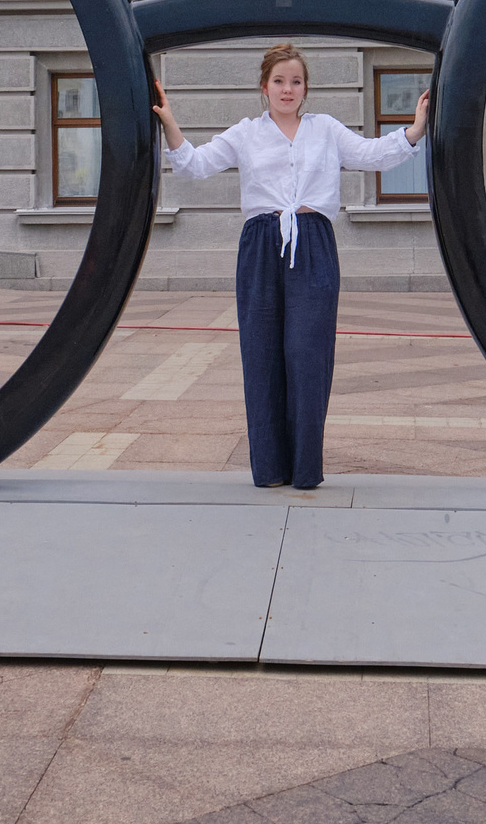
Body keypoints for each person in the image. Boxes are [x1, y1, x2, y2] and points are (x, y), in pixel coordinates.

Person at [153, 45, 430, 491]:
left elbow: (371, 154)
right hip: (260, 246)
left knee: (307, 355)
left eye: (296, 81)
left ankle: (305, 469)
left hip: (313, 243)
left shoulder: (325, 130)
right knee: (261, 357)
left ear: (306, 88)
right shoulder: (246, 133)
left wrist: (415, 130)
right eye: (279, 81)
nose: (288, 89)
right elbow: (194, 164)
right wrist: (168, 122)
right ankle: (270, 469)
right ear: (265, 88)